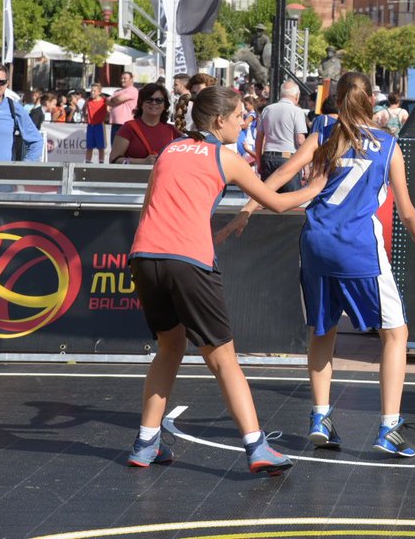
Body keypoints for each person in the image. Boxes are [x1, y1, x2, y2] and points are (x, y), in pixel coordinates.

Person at [220, 71, 415, 456]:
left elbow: (283, 173)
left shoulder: (323, 134)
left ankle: (320, 415)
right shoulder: (388, 144)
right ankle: (389, 426)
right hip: (358, 247)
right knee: (395, 333)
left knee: (323, 330)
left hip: (317, 241)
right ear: (371, 100)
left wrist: (249, 208)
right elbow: (405, 208)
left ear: (335, 100)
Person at [126, 86, 319, 474]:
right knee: (224, 359)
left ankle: (146, 443)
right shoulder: (224, 157)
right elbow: (278, 202)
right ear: (219, 121)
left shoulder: (169, 150)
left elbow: (149, 204)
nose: (244, 122)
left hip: (145, 257)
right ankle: (256, 446)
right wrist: (320, 185)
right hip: (188, 260)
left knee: (169, 348)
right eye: (239, 117)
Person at [0, 61, 43, 162]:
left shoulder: (15, 109)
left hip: (3, 175)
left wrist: (24, 167)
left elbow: (36, 141)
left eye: (1, 82)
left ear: (7, 84)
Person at [108, 83, 185, 166]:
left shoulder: (172, 131)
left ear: (165, 106)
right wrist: (142, 162)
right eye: (149, 99)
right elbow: (114, 159)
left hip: (163, 178)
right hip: (135, 178)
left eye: (159, 100)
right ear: (141, 103)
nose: (154, 103)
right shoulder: (128, 128)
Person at [256, 80, 308, 191]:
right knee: (290, 201)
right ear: (296, 96)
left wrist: (258, 161)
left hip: (268, 157)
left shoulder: (267, 109)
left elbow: (259, 137)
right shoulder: (296, 111)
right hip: (288, 158)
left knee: (268, 199)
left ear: (281, 94)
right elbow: (300, 140)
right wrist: (306, 166)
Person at [107, 71, 138, 141]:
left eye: (125, 78)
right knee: (114, 147)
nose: (122, 80)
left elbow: (118, 99)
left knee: (123, 147)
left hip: (125, 123)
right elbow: (107, 101)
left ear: (131, 79)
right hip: (115, 123)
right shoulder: (118, 91)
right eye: (122, 78)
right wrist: (115, 100)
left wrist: (113, 99)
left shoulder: (133, 90)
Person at [84, 83, 108, 163]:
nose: (92, 92)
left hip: (99, 126)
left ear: (99, 92)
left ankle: (101, 163)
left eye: (94, 91)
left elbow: (109, 110)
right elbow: (84, 108)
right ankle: (87, 162)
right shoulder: (88, 100)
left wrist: (106, 118)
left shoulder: (104, 101)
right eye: (91, 91)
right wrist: (85, 117)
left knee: (101, 147)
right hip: (90, 126)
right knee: (89, 147)